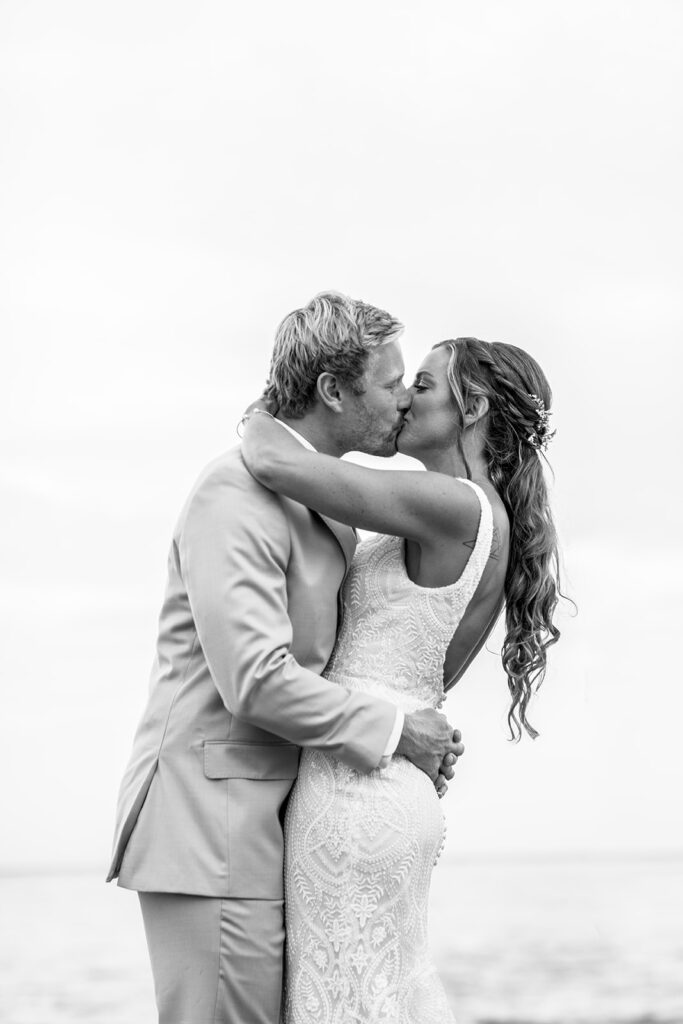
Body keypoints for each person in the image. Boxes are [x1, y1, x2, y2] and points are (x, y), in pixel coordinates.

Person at [106, 292, 463, 1024]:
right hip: (209, 823)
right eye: (389, 383)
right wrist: (398, 732)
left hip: (264, 820)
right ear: (333, 390)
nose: (402, 400)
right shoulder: (230, 494)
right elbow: (257, 683)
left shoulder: (325, 500)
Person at [241, 334, 562, 1023]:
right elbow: (416, 679)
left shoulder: (452, 504)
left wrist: (280, 395)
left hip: (354, 789)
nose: (403, 398)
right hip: (390, 779)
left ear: (471, 407)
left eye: (421, 384)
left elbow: (271, 458)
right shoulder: (484, 517)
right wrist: (415, 737)